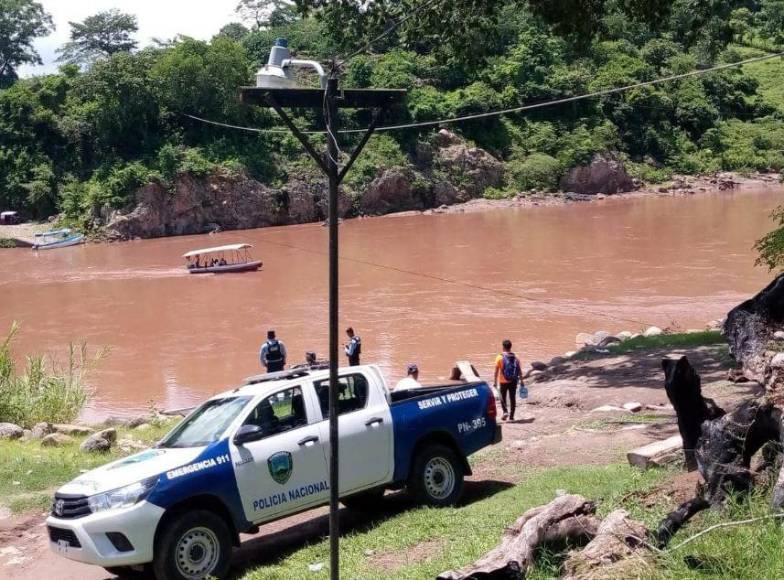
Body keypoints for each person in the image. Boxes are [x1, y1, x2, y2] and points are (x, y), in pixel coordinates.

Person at [493, 339, 522, 421]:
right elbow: (519, 370)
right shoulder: (516, 357)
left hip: (503, 381)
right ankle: (512, 416)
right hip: (513, 380)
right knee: (512, 398)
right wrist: (522, 381)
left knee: (503, 397)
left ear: (503, 347)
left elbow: (496, 371)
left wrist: (495, 382)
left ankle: (505, 411)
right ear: (510, 347)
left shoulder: (499, 357)